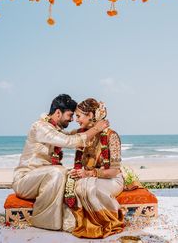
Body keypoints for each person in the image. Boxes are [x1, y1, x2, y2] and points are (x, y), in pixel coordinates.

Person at [12, 94, 109, 231]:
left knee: (71, 175)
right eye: (69, 116)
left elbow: (70, 136)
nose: (71, 120)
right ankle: (45, 222)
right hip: (25, 180)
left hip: (42, 178)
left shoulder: (54, 130)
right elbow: (69, 141)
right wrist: (96, 129)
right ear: (58, 113)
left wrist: (88, 127)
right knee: (58, 171)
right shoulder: (40, 127)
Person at [64, 98, 124, 238]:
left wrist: (89, 173)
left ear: (90, 115)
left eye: (78, 116)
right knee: (78, 186)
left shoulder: (111, 136)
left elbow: (114, 171)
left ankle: (106, 222)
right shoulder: (81, 135)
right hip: (87, 177)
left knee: (90, 188)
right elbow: (61, 138)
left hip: (111, 179)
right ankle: (83, 224)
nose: (76, 120)